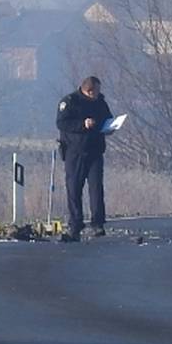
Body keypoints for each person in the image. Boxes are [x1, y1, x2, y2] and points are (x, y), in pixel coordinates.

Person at [56, 75, 114, 242]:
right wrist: (83, 124)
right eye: (96, 92)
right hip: (75, 152)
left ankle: (98, 223)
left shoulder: (100, 102)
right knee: (74, 189)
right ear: (88, 91)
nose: (98, 94)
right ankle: (75, 225)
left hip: (95, 151)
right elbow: (62, 123)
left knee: (96, 188)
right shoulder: (70, 102)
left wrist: (110, 127)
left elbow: (107, 118)